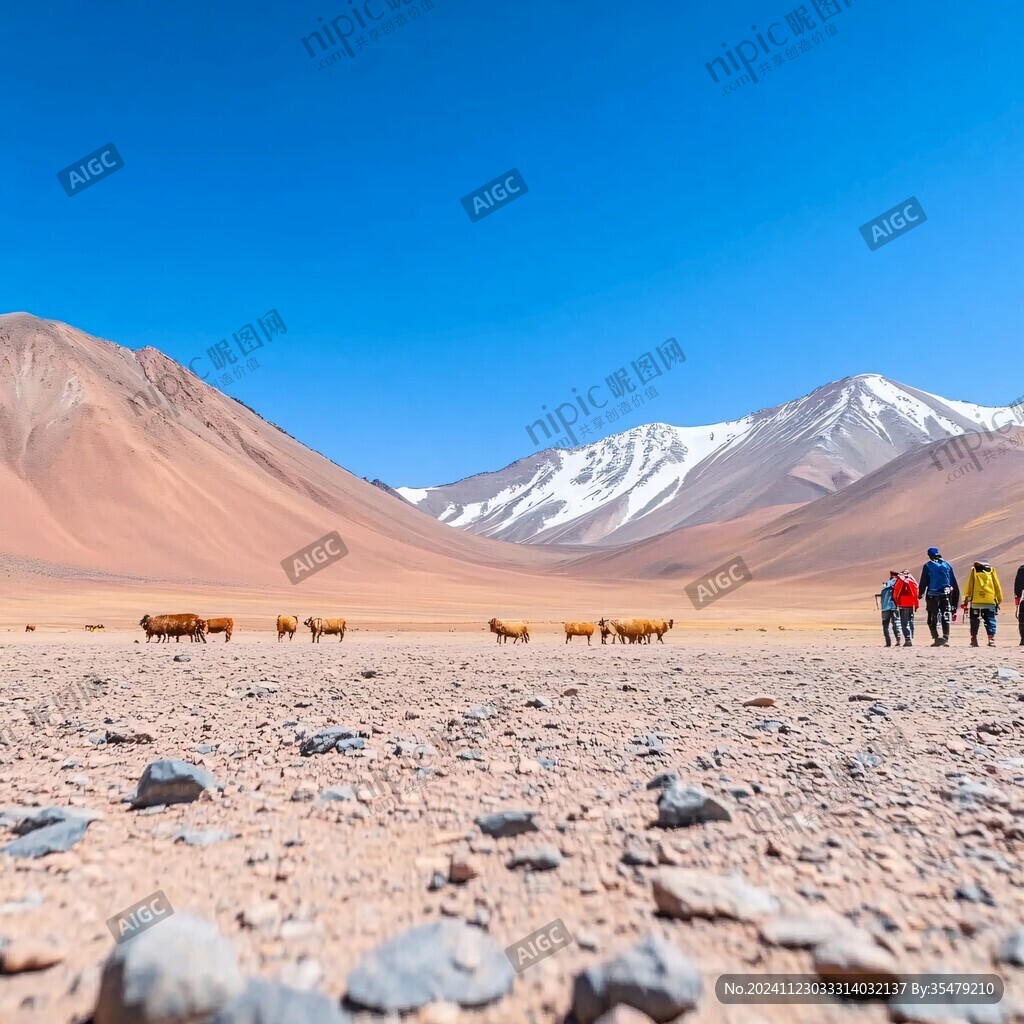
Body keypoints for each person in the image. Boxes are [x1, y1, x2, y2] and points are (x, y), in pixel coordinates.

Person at [919, 547, 960, 647]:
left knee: (932, 616)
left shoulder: (928, 565)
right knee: (945, 615)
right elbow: (953, 583)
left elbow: (924, 581)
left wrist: (920, 593)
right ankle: (945, 637)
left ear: (929, 555)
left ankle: (936, 637)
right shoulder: (947, 565)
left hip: (932, 595)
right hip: (946, 594)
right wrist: (955, 600)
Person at [962, 558, 1003, 647]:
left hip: (976, 601)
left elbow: (970, 584)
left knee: (974, 620)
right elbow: (997, 585)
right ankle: (991, 639)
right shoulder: (992, 570)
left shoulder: (974, 570)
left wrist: (966, 599)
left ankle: (974, 640)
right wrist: (999, 599)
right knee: (990, 620)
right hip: (990, 600)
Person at [892, 568, 919, 647]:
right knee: (910, 621)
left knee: (904, 622)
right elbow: (916, 592)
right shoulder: (911, 579)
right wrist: (916, 605)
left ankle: (908, 640)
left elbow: (896, 593)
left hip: (903, 603)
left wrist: (897, 603)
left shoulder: (901, 579)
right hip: (911, 603)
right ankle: (910, 637)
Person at [879, 572, 901, 647]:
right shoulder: (898, 585)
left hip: (885, 608)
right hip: (895, 607)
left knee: (885, 625)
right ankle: (898, 641)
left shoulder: (885, 587)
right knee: (896, 624)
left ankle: (888, 643)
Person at [1016, 563, 1024, 647]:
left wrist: (1017, 597)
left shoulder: (1021, 570)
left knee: (1022, 621)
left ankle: (1023, 639)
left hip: (1023, 599)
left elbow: (1017, 586)